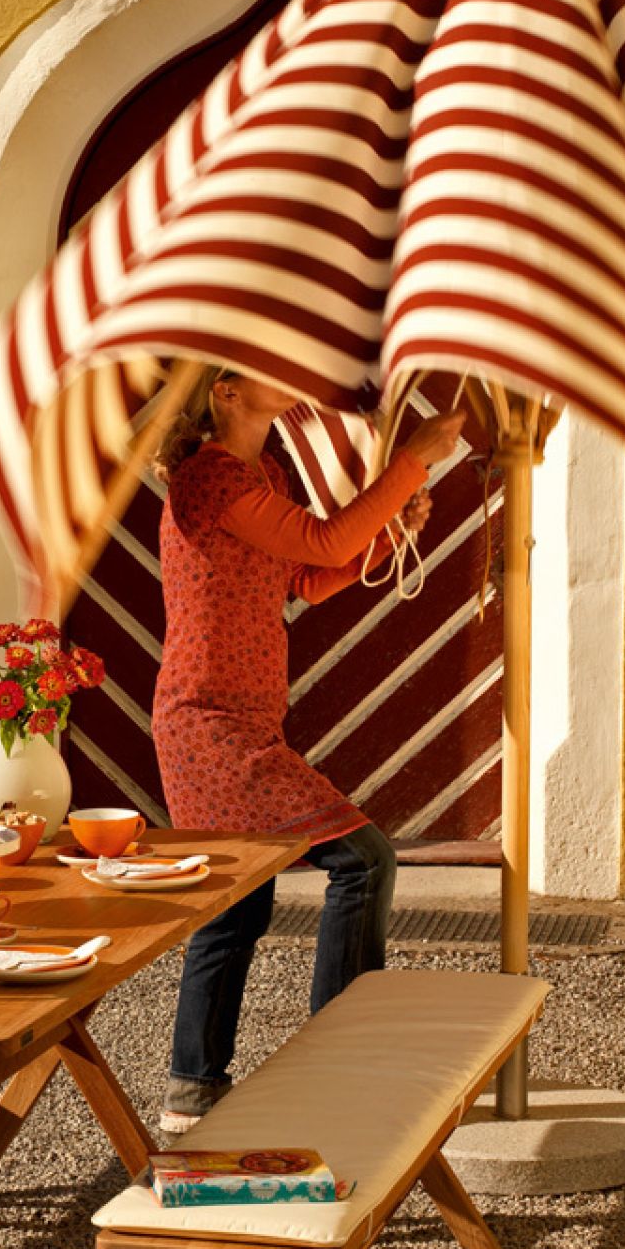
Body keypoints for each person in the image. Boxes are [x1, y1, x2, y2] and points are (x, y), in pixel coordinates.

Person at [151, 368, 467, 1134]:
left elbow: (308, 575)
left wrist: (390, 532)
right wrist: (412, 461)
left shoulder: (265, 474)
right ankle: (341, 1060)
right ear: (226, 390)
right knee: (363, 860)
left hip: (243, 719)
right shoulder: (210, 477)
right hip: (208, 724)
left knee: (237, 906)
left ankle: (191, 1094)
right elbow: (322, 538)